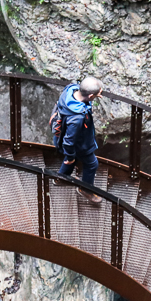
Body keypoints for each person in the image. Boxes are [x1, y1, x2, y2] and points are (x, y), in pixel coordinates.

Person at [51, 76, 104, 205]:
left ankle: (61, 178)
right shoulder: (77, 118)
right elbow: (69, 141)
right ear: (91, 96)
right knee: (92, 164)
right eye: (97, 94)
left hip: (61, 136)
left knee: (72, 159)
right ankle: (85, 189)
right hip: (79, 144)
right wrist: (69, 156)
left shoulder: (71, 89)